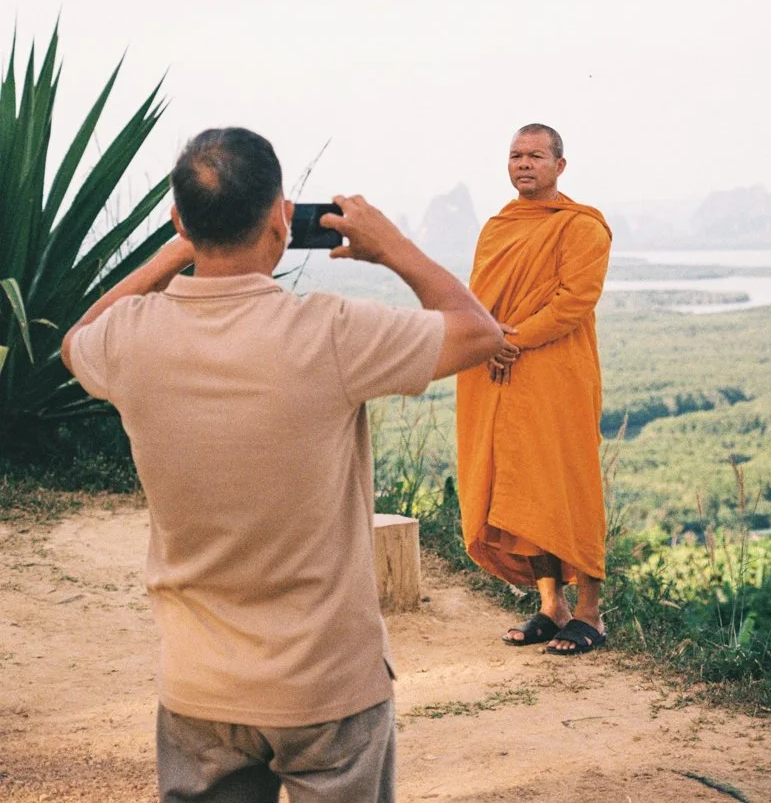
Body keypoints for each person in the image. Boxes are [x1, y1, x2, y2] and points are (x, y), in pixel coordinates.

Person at [61, 127, 502, 803]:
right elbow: (479, 333)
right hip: (326, 687)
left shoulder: (130, 338)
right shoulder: (330, 333)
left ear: (180, 220)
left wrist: (178, 251)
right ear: (280, 219)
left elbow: (76, 340)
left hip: (199, 690)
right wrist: (393, 246)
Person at [454, 123, 612, 656]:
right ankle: (552, 607)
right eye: (516, 155)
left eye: (536, 156)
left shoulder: (582, 226)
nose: (524, 164)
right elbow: (479, 299)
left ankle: (589, 613)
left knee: (568, 483)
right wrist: (488, 341)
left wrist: (510, 340)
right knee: (522, 485)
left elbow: (575, 300)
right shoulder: (499, 227)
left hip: (556, 374)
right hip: (500, 373)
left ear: (559, 166)